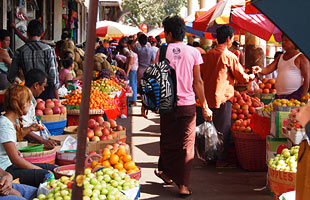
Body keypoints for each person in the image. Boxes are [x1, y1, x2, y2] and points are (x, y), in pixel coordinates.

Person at [141, 16, 212, 197]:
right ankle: (183, 185)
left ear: (170, 33)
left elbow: (155, 80)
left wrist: (146, 103)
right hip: (187, 105)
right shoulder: (194, 52)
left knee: (167, 140)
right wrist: (204, 106)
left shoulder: (162, 51)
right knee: (187, 145)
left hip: (167, 105)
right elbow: (198, 82)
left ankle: (166, 173)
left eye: (165, 32)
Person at [201, 25, 255, 168]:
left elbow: (202, 75)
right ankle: (220, 160)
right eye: (232, 38)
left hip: (207, 97)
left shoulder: (208, 55)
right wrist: (251, 76)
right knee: (222, 129)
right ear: (228, 38)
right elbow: (242, 77)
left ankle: (209, 157)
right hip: (223, 98)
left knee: (209, 129)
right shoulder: (228, 55)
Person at [0, 85, 57, 187]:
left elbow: (13, 137)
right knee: (47, 175)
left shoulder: (9, 121)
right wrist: (38, 170)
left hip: (11, 166)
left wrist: (30, 128)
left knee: (55, 168)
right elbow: (15, 159)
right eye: (29, 102)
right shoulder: (4, 124)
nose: (31, 105)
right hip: (5, 170)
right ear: (22, 104)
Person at [7, 19, 60, 100]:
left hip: (28, 93)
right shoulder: (48, 50)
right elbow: (53, 75)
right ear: (42, 34)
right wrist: (57, 97)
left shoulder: (20, 51)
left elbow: (11, 76)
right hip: (46, 92)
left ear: (27, 33)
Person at [253, 34, 309, 101]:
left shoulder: (301, 58)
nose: (283, 43)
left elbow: (307, 78)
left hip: (295, 95)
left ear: (294, 42)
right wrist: (259, 69)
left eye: (286, 40)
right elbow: (267, 69)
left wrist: (303, 96)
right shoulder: (280, 57)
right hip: (280, 96)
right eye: (282, 40)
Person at [23, 69, 58, 149]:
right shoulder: (24, 100)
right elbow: (23, 129)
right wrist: (43, 141)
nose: (43, 89)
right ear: (36, 85)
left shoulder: (30, 99)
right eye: (43, 86)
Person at [126, 40, 139, 106]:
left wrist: (127, 72)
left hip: (132, 70)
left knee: (131, 85)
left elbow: (130, 63)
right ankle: (134, 99)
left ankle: (132, 99)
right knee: (134, 84)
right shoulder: (135, 53)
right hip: (135, 69)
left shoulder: (131, 54)